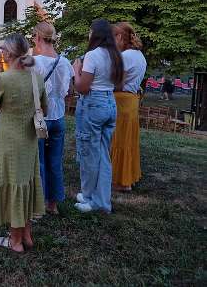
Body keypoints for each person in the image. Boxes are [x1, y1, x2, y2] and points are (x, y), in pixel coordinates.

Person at [0, 33, 46, 253]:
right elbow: (43, 108)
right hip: (29, 139)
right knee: (25, 182)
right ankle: (26, 234)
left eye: (2, 49)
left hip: (8, 141)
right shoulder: (36, 78)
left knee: (12, 184)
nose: (0, 52)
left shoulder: (2, 79)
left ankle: (15, 240)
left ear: (8, 53)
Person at [72, 19, 123, 213]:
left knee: (89, 153)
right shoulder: (115, 55)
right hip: (110, 102)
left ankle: (90, 198)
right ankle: (101, 200)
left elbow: (83, 87)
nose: (88, 35)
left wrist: (76, 71)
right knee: (102, 153)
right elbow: (118, 83)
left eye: (90, 31)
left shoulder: (92, 55)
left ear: (96, 34)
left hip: (93, 104)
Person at [32, 21, 74, 214]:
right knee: (55, 161)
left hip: (41, 117)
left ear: (38, 37)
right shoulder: (65, 62)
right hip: (58, 117)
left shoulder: (35, 62)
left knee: (39, 160)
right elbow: (69, 91)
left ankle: (39, 202)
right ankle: (53, 204)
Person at [111, 22, 147, 192]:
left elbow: (118, 83)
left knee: (119, 141)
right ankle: (128, 178)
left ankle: (120, 181)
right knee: (129, 141)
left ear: (119, 37)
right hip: (131, 100)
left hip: (121, 102)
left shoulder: (126, 57)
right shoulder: (140, 55)